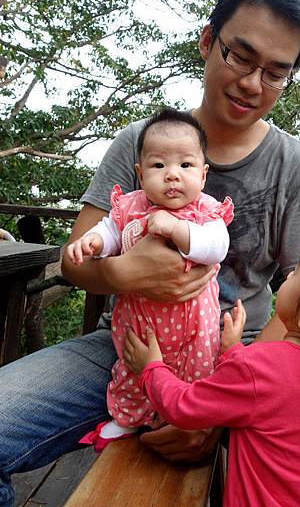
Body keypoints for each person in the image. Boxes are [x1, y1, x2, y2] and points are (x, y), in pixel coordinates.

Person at [0, 0, 300, 506]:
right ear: (208, 41)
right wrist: (118, 273)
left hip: (260, 357)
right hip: (130, 344)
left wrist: (224, 405)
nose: (254, 83)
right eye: (241, 56)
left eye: (276, 73)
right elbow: (76, 262)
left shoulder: (296, 166)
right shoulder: (141, 142)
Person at [125, 225, 300, 506]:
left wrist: (151, 369)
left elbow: (183, 406)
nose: (290, 273)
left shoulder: (259, 368)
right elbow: (271, 399)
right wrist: (233, 352)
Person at [66, 109, 233, 451]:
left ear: (203, 175)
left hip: (194, 331)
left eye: (185, 166)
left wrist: (178, 230)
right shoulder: (129, 207)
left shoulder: (205, 211)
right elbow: (110, 232)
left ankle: (181, 417)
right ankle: (129, 417)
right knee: (129, 371)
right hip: (139, 326)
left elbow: (217, 247)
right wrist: (94, 243)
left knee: (195, 376)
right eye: (159, 166)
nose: (172, 175)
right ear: (140, 175)